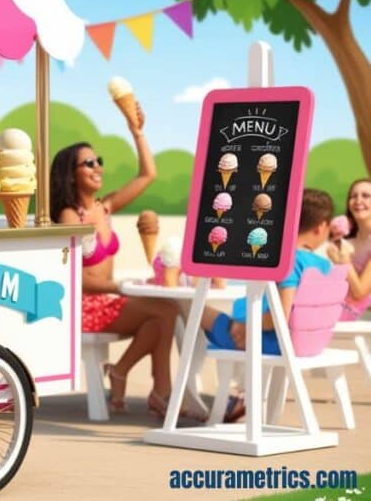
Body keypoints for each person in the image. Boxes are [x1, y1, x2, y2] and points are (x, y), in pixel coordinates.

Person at [51, 102, 187, 419]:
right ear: (70, 176)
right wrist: (123, 286)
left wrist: (136, 131)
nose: (97, 166)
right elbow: (74, 278)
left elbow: (148, 174)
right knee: (166, 311)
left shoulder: (105, 207)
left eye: (98, 161)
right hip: (83, 307)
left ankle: (127, 374)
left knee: (162, 316)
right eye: (88, 163)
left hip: (106, 301)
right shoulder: (70, 216)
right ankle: (160, 392)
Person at [197, 189, 341, 422]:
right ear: (322, 227)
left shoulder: (289, 261)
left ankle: (200, 393)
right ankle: (238, 393)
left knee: (191, 310)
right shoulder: (323, 265)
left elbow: (279, 318)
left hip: (273, 342)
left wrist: (245, 326)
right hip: (304, 343)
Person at [325, 179, 371, 320]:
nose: (358, 201)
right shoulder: (347, 242)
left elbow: (359, 292)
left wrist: (344, 262)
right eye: (353, 196)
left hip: (360, 324)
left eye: (366, 196)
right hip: (336, 315)